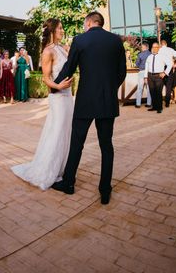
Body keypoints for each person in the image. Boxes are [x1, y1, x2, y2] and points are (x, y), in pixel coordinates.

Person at [52, 12, 126, 205]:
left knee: (77, 143)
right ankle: (105, 190)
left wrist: (54, 85)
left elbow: (69, 67)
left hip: (85, 101)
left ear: (89, 22)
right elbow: (122, 72)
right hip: (107, 102)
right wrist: (109, 90)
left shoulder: (80, 40)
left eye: (85, 24)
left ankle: (68, 183)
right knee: (106, 146)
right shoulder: (116, 41)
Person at [12, 18, 74, 190]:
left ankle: (61, 168)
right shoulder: (48, 52)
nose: (63, 31)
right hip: (58, 98)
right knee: (57, 131)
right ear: (53, 31)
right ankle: (49, 170)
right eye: (60, 28)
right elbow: (47, 78)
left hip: (69, 96)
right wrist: (59, 85)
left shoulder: (64, 48)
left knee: (66, 131)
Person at [145, 42, 172, 114]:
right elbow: (146, 67)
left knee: (158, 92)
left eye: (156, 47)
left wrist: (165, 73)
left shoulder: (162, 56)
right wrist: (145, 77)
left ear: (158, 48)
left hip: (158, 76)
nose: (154, 49)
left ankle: (159, 108)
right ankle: (154, 107)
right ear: (152, 48)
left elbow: (170, 64)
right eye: (153, 47)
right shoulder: (149, 57)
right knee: (152, 92)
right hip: (150, 76)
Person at [159, 39, 176, 108]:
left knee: (160, 87)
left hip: (161, 69)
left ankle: (159, 102)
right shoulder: (170, 49)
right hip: (169, 69)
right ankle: (167, 103)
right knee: (168, 86)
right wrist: (175, 64)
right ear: (166, 44)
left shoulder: (159, 50)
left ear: (161, 44)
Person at [134, 43, 151, 109]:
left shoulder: (140, 54)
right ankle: (149, 103)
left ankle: (138, 104)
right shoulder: (151, 54)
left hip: (142, 72)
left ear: (144, 47)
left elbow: (137, 64)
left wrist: (140, 65)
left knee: (140, 88)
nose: (141, 48)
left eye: (142, 47)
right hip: (149, 72)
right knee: (149, 88)